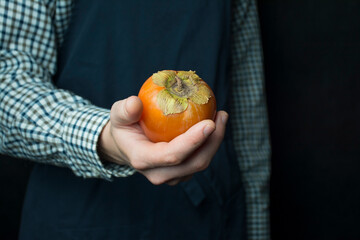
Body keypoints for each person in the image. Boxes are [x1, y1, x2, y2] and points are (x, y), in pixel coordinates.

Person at [0, 0, 270, 239]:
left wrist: (256, 228)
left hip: (207, 215)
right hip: (78, 216)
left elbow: (247, 108)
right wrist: (103, 136)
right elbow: (7, 83)